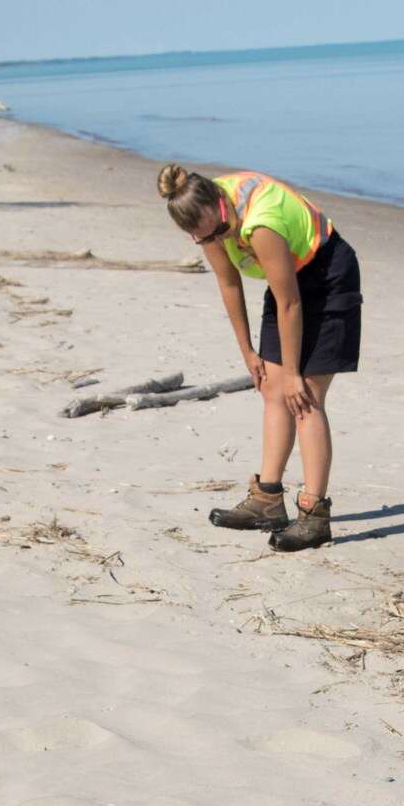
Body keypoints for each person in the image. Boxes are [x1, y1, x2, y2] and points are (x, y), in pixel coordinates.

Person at [156, 164, 363, 552]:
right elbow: (228, 282)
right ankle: (267, 500)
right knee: (272, 388)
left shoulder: (261, 224)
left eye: (219, 231)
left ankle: (314, 515)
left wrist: (295, 375)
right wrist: (248, 351)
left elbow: (289, 303)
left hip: (327, 277)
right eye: (204, 239)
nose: (216, 239)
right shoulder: (208, 221)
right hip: (289, 285)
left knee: (305, 399)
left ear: (221, 203)